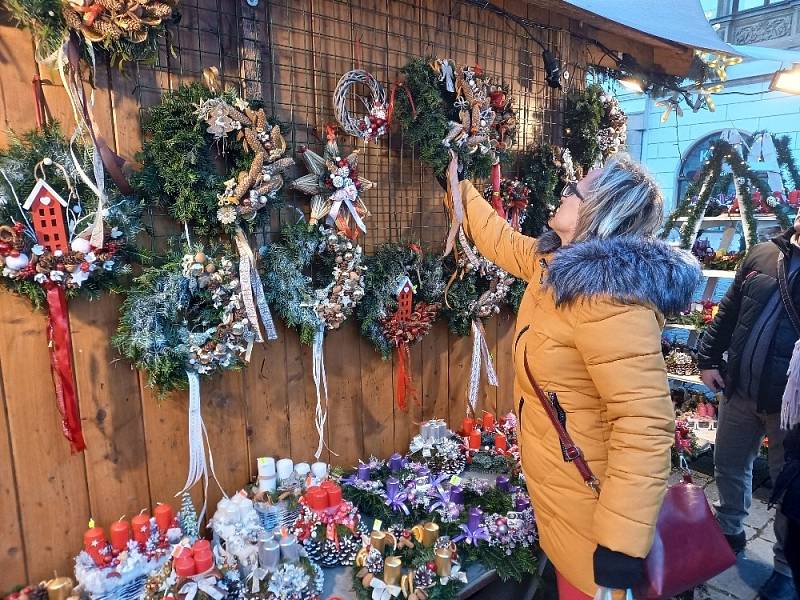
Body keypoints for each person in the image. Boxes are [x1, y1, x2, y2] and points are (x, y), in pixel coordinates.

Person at [459, 154, 701, 598]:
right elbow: (502, 241)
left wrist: (621, 546)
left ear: (601, 209)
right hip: (563, 495)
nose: (565, 191)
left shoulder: (611, 300)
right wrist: (458, 185)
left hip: (596, 515)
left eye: (576, 189)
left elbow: (644, 425)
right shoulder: (555, 267)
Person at [697, 216, 800, 600]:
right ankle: (731, 530)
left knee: (791, 491)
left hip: (789, 406)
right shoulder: (762, 252)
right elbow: (728, 309)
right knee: (729, 463)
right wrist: (707, 358)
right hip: (739, 388)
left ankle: (786, 569)